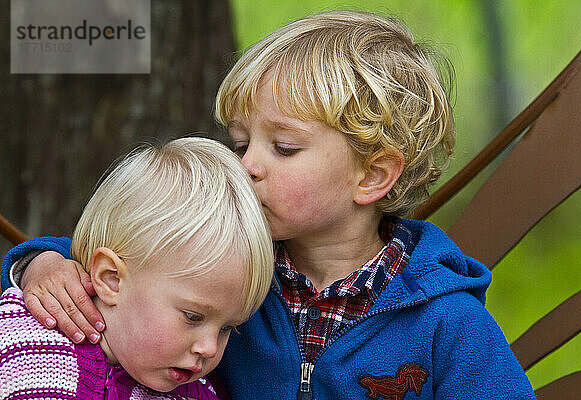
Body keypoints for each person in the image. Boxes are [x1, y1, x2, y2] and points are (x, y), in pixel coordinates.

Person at [1, 10, 536, 399]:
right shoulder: (226, 274)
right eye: (240, 143)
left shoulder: (445, 321)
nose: (248, 164)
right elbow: (129, 264)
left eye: (283, 147)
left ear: (371, 175)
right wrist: (38, 263)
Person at [0, 138, 273, 399]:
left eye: (227, 328)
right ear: (111, 280)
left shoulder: (200, 393)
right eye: (193, 316)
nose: (209, 348)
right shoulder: (20, 345)